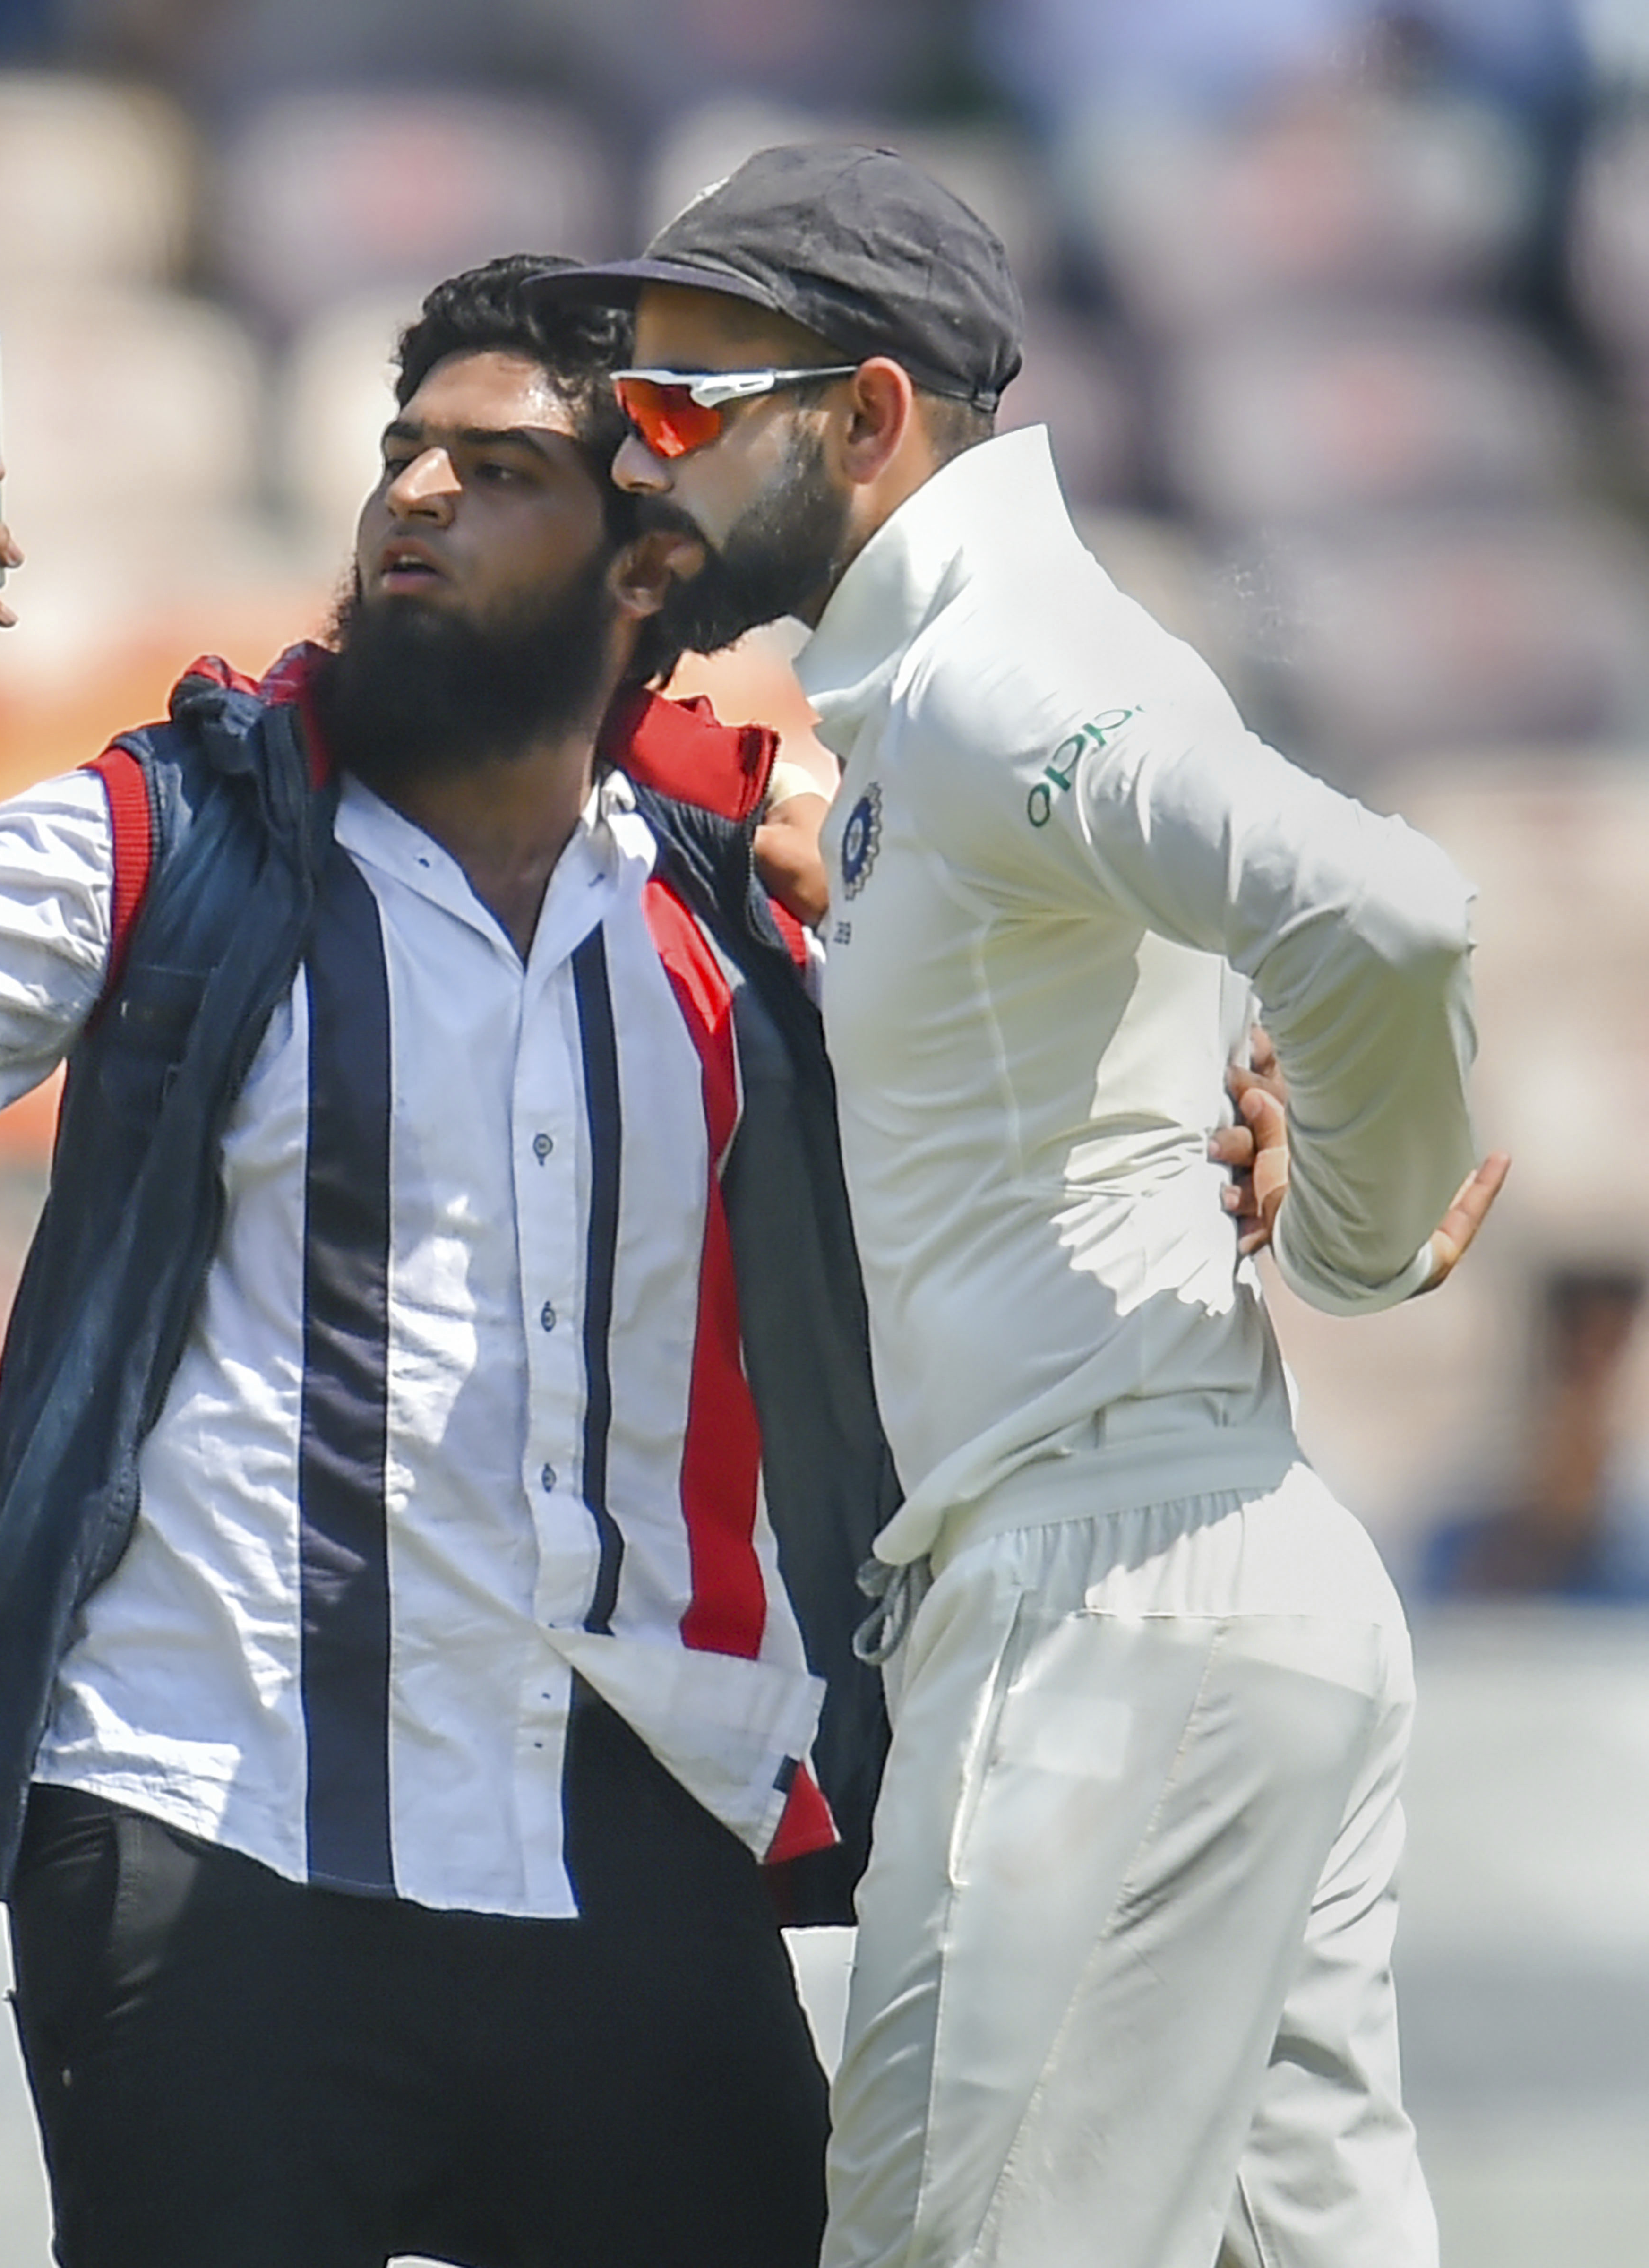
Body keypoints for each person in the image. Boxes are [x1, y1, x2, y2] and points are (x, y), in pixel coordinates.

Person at [0, 253, 906, 2268]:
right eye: (400, 454)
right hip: (216, 1828)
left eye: (497, 467)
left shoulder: (750, 892)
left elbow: (1072, 1083)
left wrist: (1243, 1077)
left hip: (639, 1855)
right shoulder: (181, 830)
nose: (417, 495)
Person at [550, 143, 1510, 2268]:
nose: (642, 457)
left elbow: (1388, 910)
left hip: (1107, 1609)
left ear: (869, 417)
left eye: (695, 408)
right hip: (1197, 1575)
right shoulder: (947, 695)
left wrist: (1354, 1231)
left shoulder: (993, 681)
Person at [1421, 1261, 1649, 1601]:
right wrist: (1541, 1531)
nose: (1591, 1370)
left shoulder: (1633, 1521)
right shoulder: (1475, 1488)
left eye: (1610, 1347)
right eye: (1578, 1346)